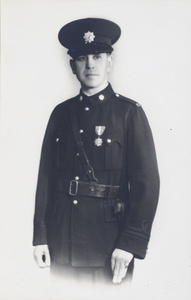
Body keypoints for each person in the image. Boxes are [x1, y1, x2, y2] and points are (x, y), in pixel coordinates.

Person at [33, 17, 160, 292]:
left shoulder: (130, 113)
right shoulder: (61, 114)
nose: (90, 64)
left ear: (109, 62)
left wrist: (130, 243)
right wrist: (40, 236)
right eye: (82, 58)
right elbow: (46, 178)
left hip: (109, 248)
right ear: (72, 65)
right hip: (62, 244)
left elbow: (147, 185)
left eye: (98, 56)